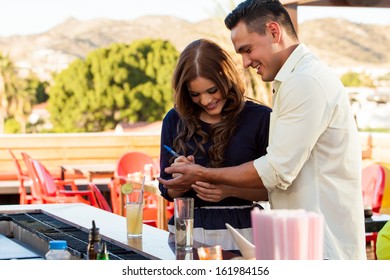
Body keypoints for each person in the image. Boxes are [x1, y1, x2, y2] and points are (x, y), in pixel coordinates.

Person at [158, 0, 366, 259]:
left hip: (321, 247)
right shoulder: (294, 81)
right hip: (302, 242)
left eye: (247, 49)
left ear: (274, 32)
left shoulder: (305, 82)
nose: (244, 63)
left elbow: (276, 171)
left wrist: (204, 174)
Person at [159, 38, 271, 251]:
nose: (205, 100)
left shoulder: (260, 119)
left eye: (212, 91)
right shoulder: (174, 119)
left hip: (245, 233)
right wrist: (180, 181)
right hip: (186, 232)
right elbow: (166, 191)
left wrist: (229, 190)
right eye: (195, 94)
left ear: (226, 79)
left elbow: (273, 190)